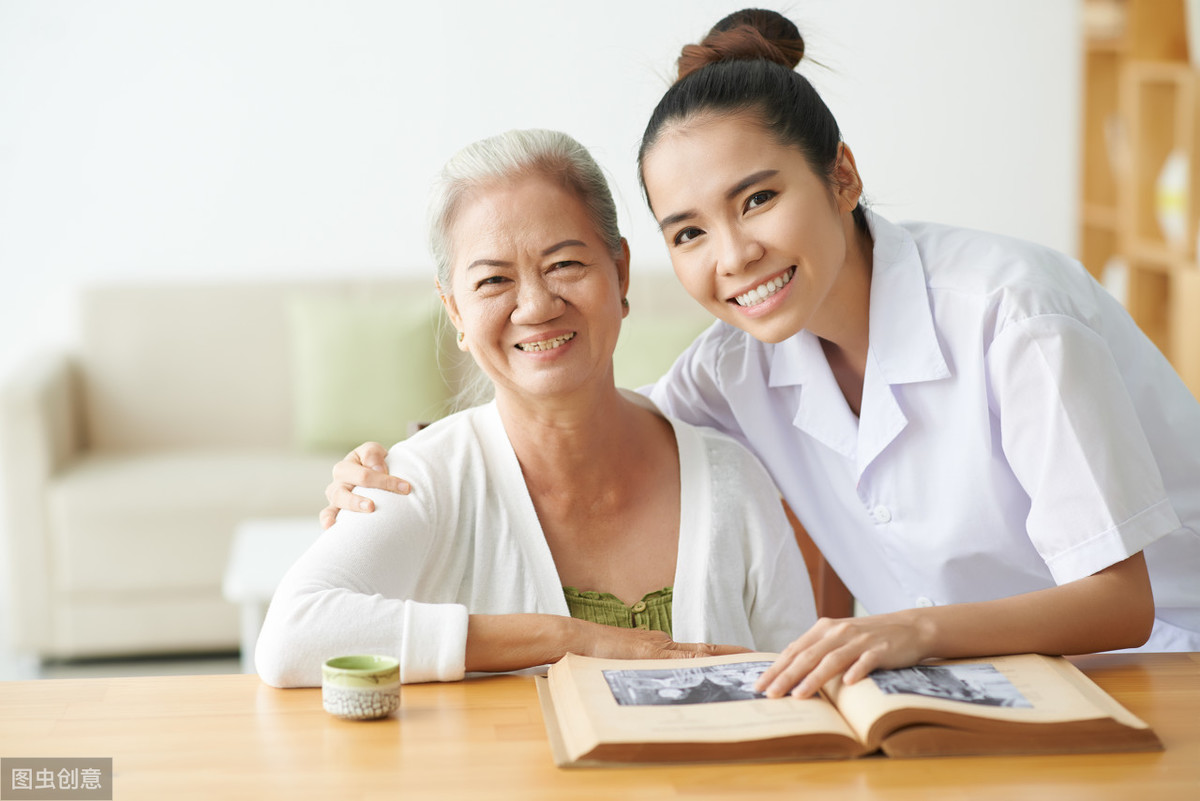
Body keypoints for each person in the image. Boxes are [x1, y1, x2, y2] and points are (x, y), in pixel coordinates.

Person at [320, 9, 1200, 698]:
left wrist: (905, 631)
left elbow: (1122, 602)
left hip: (1164, 670)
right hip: (974, 690)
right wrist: (402, 459)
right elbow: (588, 418)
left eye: (758, 198)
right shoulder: (732, 370)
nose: (732, 255)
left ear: (842, 176)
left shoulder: (1013, 311)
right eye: (690, 231)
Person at [253, 128, 817, 688]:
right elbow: (291, 637)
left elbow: (802, 690)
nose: (537, 306)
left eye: (565, 264)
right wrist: (567, 638)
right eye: (494, 279)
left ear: (620, 271)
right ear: (455, 312)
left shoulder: (730, 476)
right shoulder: (419, 479)